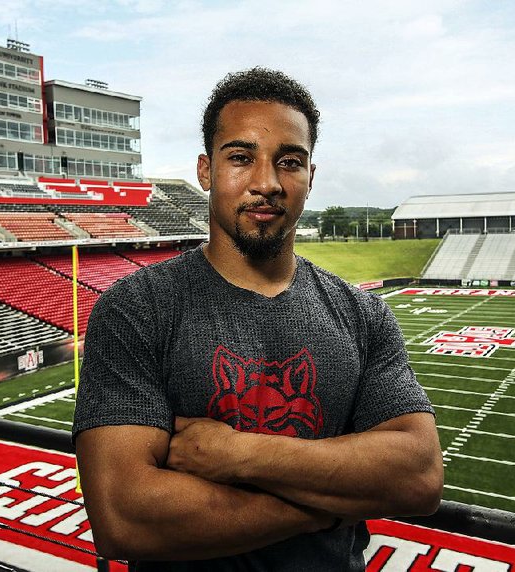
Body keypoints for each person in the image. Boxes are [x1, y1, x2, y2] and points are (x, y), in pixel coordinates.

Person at [73, 67, 443, 571]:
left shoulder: (362, 314)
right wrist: (329, 508)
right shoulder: (137, 308)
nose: (266, 183)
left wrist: (234, 454)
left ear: (311, 176)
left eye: (289, 162)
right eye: (241, 158)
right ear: (206, 171)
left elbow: (418, 477)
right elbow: (124, 520)